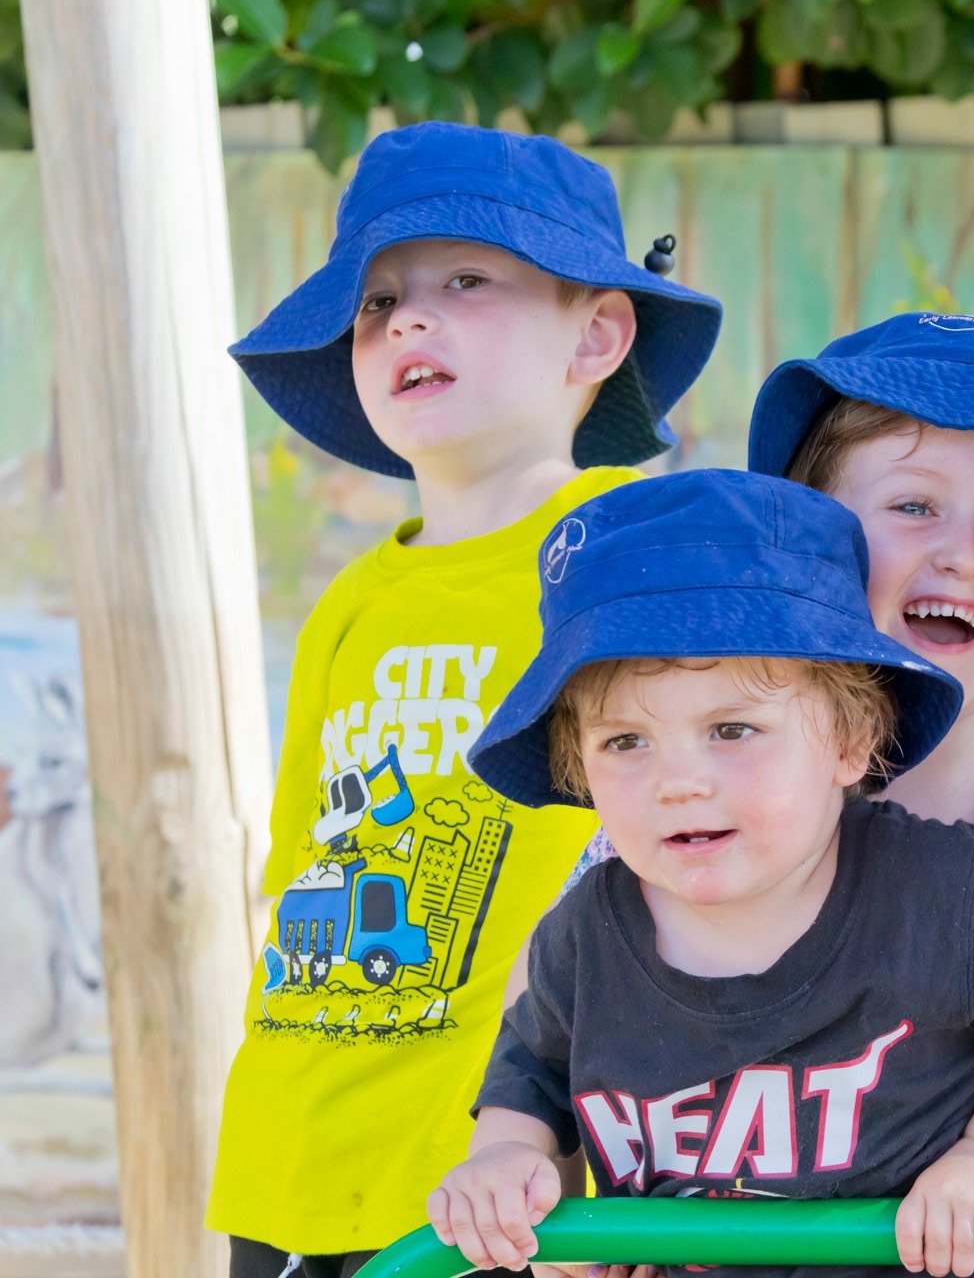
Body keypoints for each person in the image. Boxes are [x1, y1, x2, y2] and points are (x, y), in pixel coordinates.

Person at [206, 121, 722, 1278]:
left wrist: (610, 1139)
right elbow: (303, 860)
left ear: (595, 333)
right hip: (297, 1143)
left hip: (506, 1163)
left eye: (467, 280)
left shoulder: (625, 550)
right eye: (379, 301)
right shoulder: (353, 598)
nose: (408, 320)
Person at [434, 470, 974, 1277]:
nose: (679, 781)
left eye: (732, 729)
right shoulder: (586, 936)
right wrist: (510, 1170)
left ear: (848, 739)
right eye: (626, 742)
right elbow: (529, 1078)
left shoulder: (945, 894)